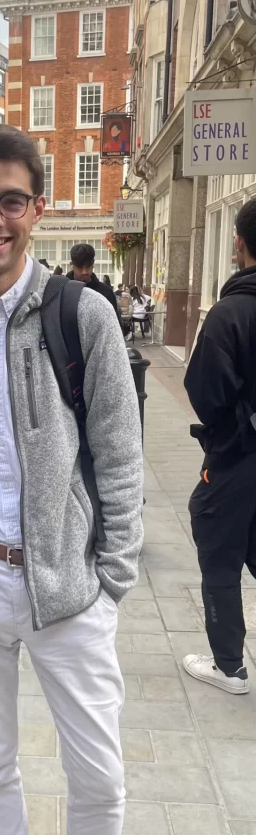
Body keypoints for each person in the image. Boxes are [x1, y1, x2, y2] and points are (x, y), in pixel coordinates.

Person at [0, 124, 144, 835]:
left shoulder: (81, 315)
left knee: (98, 779)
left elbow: (118, 452)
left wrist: (109, 579)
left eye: (12, 202)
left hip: (68, 589)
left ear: (37, 210)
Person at [182, 197, 256, 696]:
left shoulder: (231, 313)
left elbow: (206, 392)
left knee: (219, 551)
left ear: (239, 244)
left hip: (239, 456)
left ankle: (230, 666)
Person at [66, 244, 120, 317]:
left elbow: (115, 323)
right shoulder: (62, 291)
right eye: (80, 267)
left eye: (88, 266)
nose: (84, 272)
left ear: (93, 264)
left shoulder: (106, 292)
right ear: (71, 265)